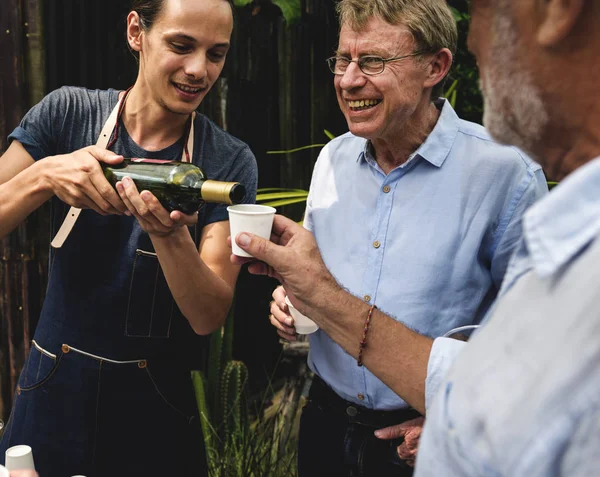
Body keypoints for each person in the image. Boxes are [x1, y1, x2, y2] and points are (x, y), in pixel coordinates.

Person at [233, 0, 600, 475]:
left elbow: (524, 342)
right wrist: (292, 301)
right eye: (343, 60)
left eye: (373, 62)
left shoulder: (504, 173)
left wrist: (460, 413)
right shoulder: (332, 160)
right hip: (323, 422)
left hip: (418, 442)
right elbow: (318, 277)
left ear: (436, 66)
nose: (348, 80)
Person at [0, 0, 257, 476]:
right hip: (52, 390)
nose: (199, 70)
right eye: (181, 46)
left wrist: (170, 236)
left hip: (155, 410)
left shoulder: (227, 162)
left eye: (216, 53)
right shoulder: (67, 114)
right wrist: (43, 176)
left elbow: (208, 315)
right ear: (137, 32)